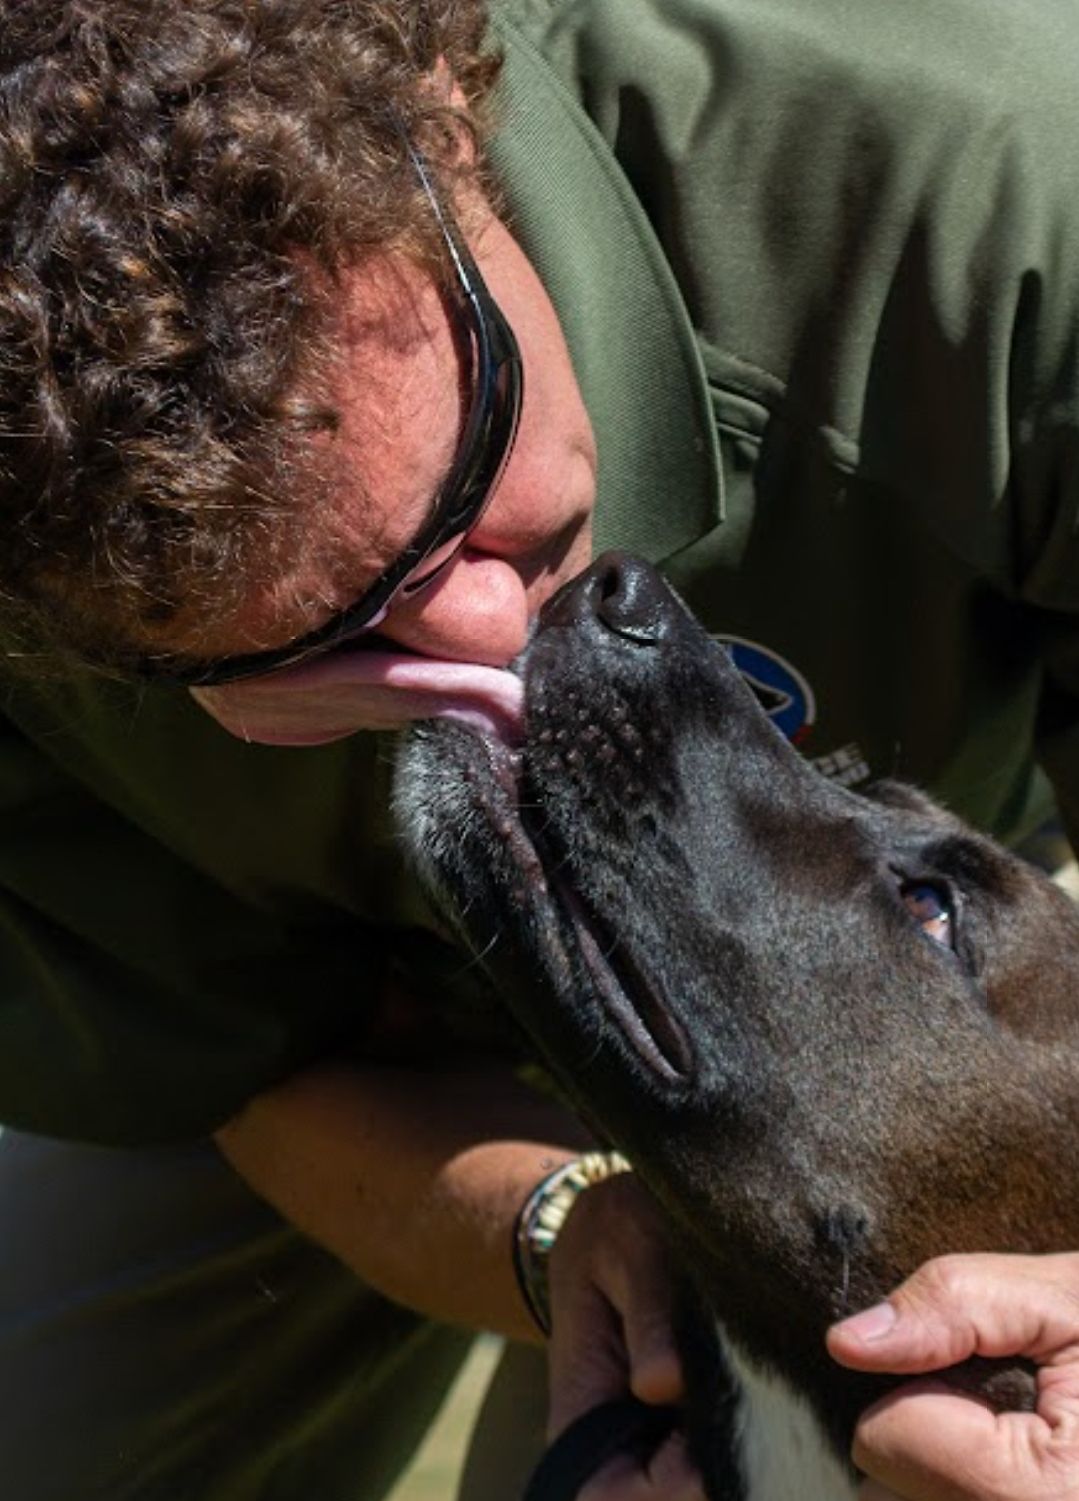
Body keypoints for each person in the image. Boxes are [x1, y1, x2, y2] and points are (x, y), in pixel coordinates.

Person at [0, 2, 1076, 1499]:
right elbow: (219, 1052)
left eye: (474, 437)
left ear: (446, 122)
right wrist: (566, 1225)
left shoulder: (1010, 199)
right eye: (317, 628)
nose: (487, 626)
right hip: (345, 1043)